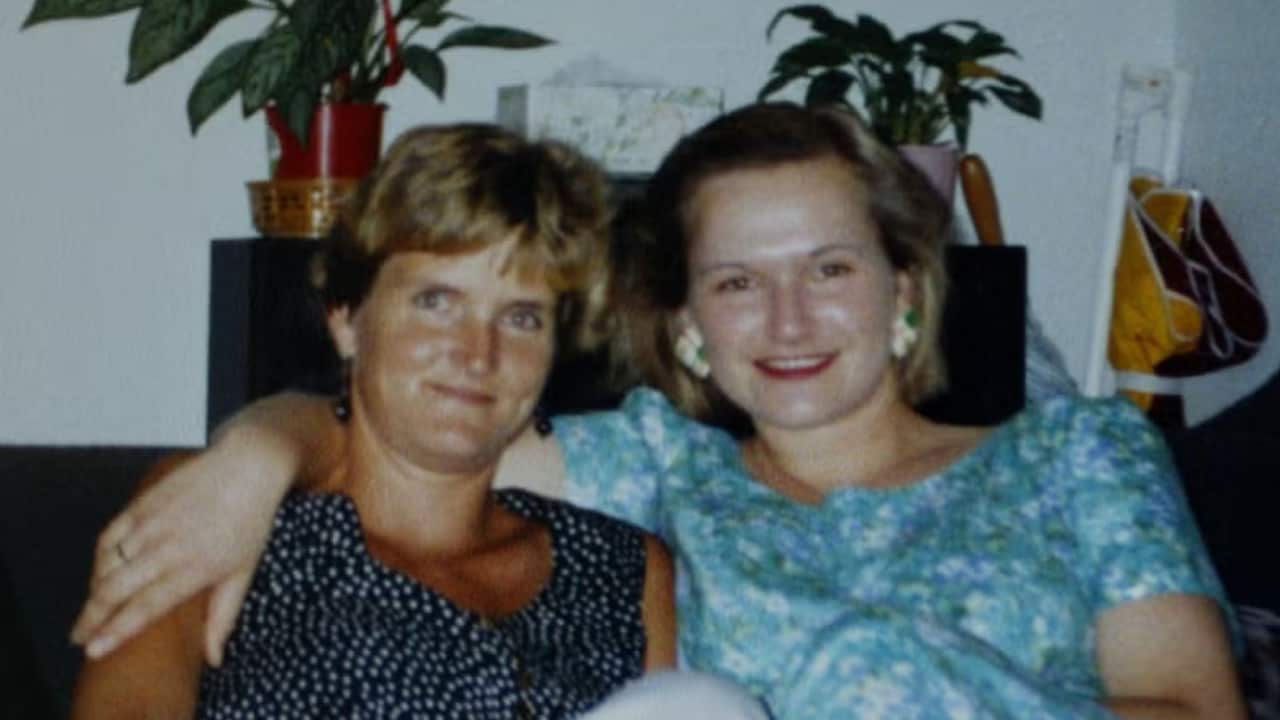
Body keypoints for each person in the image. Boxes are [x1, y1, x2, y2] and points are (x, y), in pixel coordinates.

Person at [73, 104, 1246, 718]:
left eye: (829, 268)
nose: (786, 319)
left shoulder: (1077, 456)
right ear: (687, 325)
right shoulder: (653, 471)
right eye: (737, 281)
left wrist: (892, 684)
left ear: (905, 285)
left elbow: (1198, 711)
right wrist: (254, 445)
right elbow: (431, 428)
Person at [69, 124, 682, 719]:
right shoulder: (216, 509)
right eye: (436, 303)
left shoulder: (621, 568)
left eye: (522, 318)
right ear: (346, 319)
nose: (478, 354)